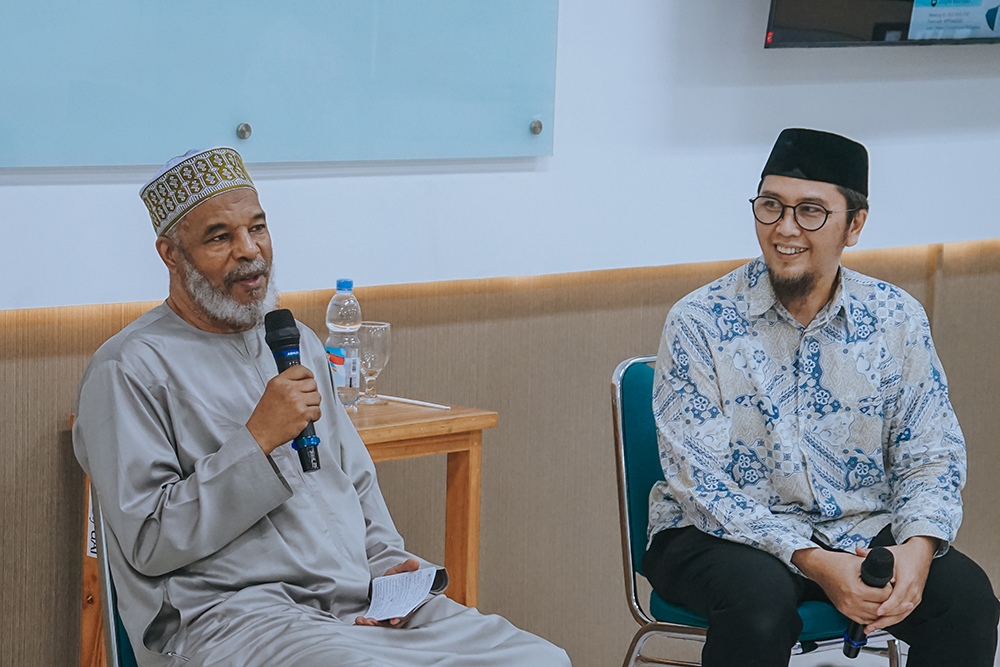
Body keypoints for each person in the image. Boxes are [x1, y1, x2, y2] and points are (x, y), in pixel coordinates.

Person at [73, 147, 571, 667]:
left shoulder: (297, 344)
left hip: (356, 602)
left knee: (539, 659)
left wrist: (388, 567)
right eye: (220, 237)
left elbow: (355, 484)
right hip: (238, 619)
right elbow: (149, 539)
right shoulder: (128, 369)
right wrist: (257, 442)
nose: (250, 251)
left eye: (258, 228)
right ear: (171, 254)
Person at [642, 128, 999, 667]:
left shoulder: (896, 318)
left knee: (967, 602)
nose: (785, 228)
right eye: (771, 205)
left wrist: (918, 549)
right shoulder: (699, 321)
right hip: (717, 533)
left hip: (855, 526)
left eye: (811, 211)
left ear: (854, 225)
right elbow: (700, 484)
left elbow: (930, 454)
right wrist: (813, 560)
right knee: (759, 606)